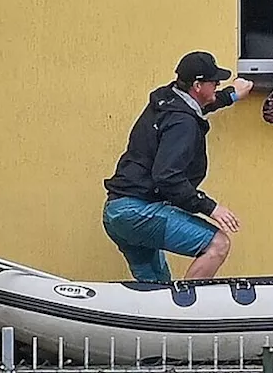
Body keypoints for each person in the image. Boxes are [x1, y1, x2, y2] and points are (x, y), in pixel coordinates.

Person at [102, 51, 253, 282]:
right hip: (139, 212)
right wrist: (211, 208)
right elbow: (167, 177)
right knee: (218, 244)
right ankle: (187, 311)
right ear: (198, 85)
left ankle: (161, 314)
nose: (218, 85)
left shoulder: (167, 100)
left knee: (157, 288)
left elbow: (194, 107)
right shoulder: (183, 123)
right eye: (214, 82)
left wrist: (230, 95)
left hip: (117, 211)